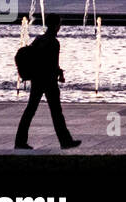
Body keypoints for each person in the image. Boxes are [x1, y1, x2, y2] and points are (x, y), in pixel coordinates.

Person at [14, 16, 80, 150]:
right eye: (59, 24)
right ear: (56, 26)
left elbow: (33, 57)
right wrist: (60, 73)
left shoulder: (39, 39)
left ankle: (20, 141)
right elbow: (52, 64)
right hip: (49, 81)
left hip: (37, 80)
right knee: (56, 112)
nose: (60, 27)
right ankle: (65, 141)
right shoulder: (54, 43)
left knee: (30, 110)